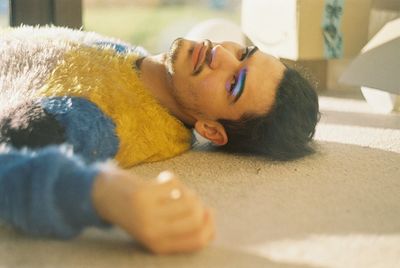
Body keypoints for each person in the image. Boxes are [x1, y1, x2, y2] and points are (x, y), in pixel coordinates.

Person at [0, 26, 319, 254]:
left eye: (233, 83)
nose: (220, 53)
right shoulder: (136, 58)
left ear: (209, 130)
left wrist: (100, 193)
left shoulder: (97, 117)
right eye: (243, 53)